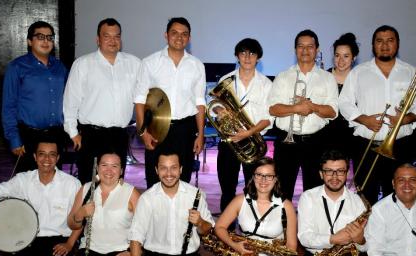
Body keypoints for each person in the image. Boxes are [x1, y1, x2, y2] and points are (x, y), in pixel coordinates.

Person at [338, 25, 416, 204]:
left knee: (397, 199)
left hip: (400, 146)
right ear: (373, 45)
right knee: (365, 197)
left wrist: (407, 119)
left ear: (397, 44)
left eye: (390, 40)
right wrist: (364, 119)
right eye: (379, 41)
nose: (385, 45)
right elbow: (344, 102)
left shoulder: (410, 72)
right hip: (366, 145)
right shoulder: (359, 72)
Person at [129, 151, 215, 256]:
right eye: (163, 168)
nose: (169, 173)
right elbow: (136, 237)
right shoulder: (147, 198)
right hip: (155, 255)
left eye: (174, 168)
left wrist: (200, 222)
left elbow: (207, 229)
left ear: (181, 169)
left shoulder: (195, 194)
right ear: (156, 170)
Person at [63, 18, 141, 183]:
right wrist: (73, 133)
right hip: (92, 136)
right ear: (98, 39)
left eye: (117, 36)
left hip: (119, 136)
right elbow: (70, 101)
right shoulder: (83, 64)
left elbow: (143, 97)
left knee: (116, 185)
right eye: (107, 36)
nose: (113, 41)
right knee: (90, 184)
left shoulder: (134, 64)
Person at [214, 157, 297, 256]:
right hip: (247, 255)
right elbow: (219, 227)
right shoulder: (240, 200)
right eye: (259, 175)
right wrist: (234, 246)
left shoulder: (286, 206)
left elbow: (291, 245)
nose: (263, 180)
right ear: (253, 177)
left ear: (276, 179)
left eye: (269, 176)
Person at [134, 17, 206, 188]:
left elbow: (199, 102)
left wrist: (201, 134)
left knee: (183, 176)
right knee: (154, 177)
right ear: (166, 35)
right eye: (174, 33)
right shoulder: (150, 62)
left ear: (189, 38)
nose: (179, 37)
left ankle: (180, 214)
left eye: (184, 34)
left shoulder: (196, 65)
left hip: (185, 129)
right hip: (156, 128)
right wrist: (143, 132)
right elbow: (139, 100)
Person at [268, 29, 338, 201]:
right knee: (282, 190)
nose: (305, 50)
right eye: (301, 46)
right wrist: (297, 108)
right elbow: (273, 109)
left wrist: (312, 106)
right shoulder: (283, 76)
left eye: (310, 46)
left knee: (314, 192)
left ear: (317, 49)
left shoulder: (328, 78)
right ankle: (283, 226)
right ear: (295, 50)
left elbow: (333, 111)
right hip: (287, 143)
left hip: (316, 142)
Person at [295, 149, 372, 256]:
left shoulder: (357, 202)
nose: (335, 177)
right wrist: (333, 239)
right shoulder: (308, 197)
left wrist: (361, 240)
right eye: (329, 171)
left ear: (347, 173)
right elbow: (304, 237)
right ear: (321, 174)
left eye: (340, 171)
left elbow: (366, 245)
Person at [67, 152, 140, 256]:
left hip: (119, 252)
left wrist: (130, 254)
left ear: (121, 170)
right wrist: (80, 214)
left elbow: (145, 229)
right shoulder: (87, 188)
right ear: (97, 168)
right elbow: (72, 224)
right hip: (88, 249)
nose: (109, 170)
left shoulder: (130, 192)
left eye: (114, 166)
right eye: (104, 165)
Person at [212, 38, 273, 214]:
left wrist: (248, 133)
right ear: (237, 56)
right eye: (243, 52)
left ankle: (250, 227)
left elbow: (269, 118)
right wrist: (218, 110)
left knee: (254, 190)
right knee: (227, 190)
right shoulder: (226, 79)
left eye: (252, 53)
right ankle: (227, 229)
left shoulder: (266, 84)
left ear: (258, 58)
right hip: (229, 142)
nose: (247, 57)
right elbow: (214, 103)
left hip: (253, 143)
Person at [2, 21, 69, 173]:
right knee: (28, 184)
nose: (46, 41)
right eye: (40, 37)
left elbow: (70, 99)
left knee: (55, 182)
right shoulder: (16, 67)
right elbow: (9, 106)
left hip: (56, 135)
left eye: (49, 37)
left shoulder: (60, 67)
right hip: (29, 137)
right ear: (29, 41)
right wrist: (14, 139)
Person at [321, 33, 360, 156]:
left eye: (346, 56)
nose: (341, 60)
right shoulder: (323, 77)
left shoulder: (360, 80)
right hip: (323, 135)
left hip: (352, 136)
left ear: (354, 57)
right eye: (337, 55)